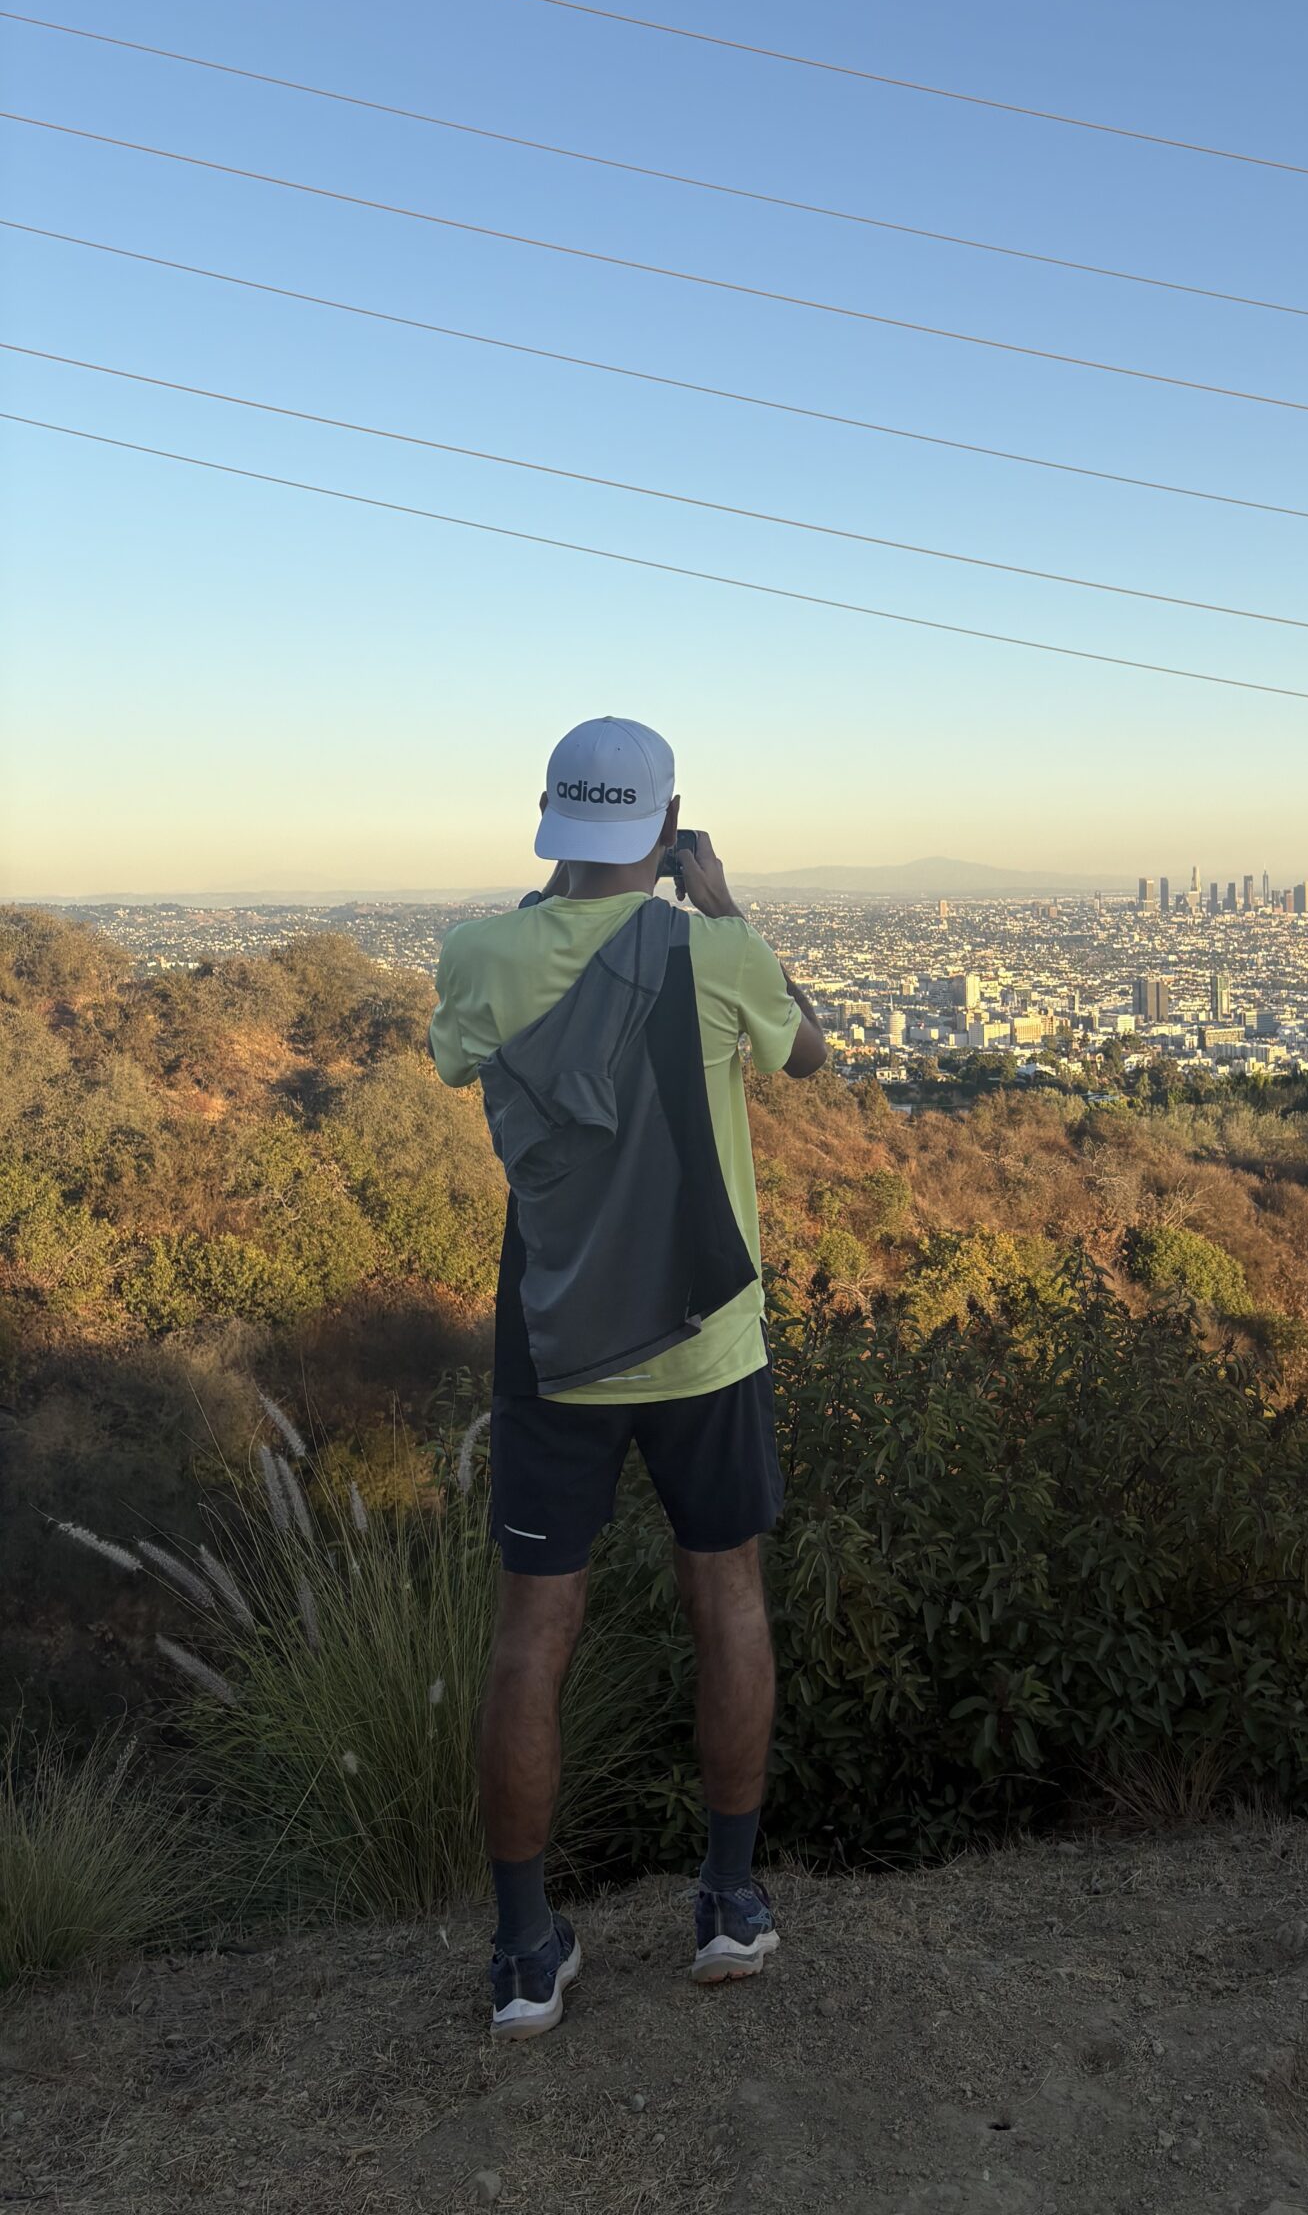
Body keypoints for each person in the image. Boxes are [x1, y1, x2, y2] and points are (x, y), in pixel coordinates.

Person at [429, 716, 827, 2038]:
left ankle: (526, 1953)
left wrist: (571, 890)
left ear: (552, 822)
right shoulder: (714, 953)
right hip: (705, 1340)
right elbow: (809, 1054)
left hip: (554, 1345)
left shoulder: (479, 957)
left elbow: (467, 1045)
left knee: (531, 1641)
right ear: (665, 826)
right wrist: (713, 897)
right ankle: (727, 1902)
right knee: (729, 1604)